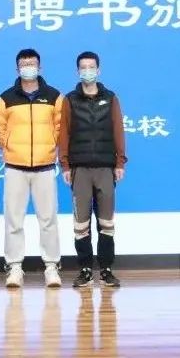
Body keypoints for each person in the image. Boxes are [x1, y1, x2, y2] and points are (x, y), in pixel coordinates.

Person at [0, 48, 64, 288]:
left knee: (48, 219)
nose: (28, 68)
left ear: (39, 67)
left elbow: (60, 127)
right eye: (24, 64)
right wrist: (9, 146)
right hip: (15, 167)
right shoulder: (5, 99)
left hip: (45, 167)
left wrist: (51, 147)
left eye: (32, 63)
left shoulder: (54, 96)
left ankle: (51, 267)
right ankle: (14, 267)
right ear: (17, 69)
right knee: (13, 220)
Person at [59, 52, 127, 288]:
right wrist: (65, 164)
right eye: (83, 67)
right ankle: (85, 270)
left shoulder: (110, 98)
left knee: (106, 222)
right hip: (80, 169)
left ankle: (106, 270)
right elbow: (64, 133)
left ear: (98, 70)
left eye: (91, 67)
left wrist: (120, 162)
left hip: (105, 168)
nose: (87, 70)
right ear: (78, 71)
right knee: (81, 224)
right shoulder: (69, 100)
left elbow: (118, 130)